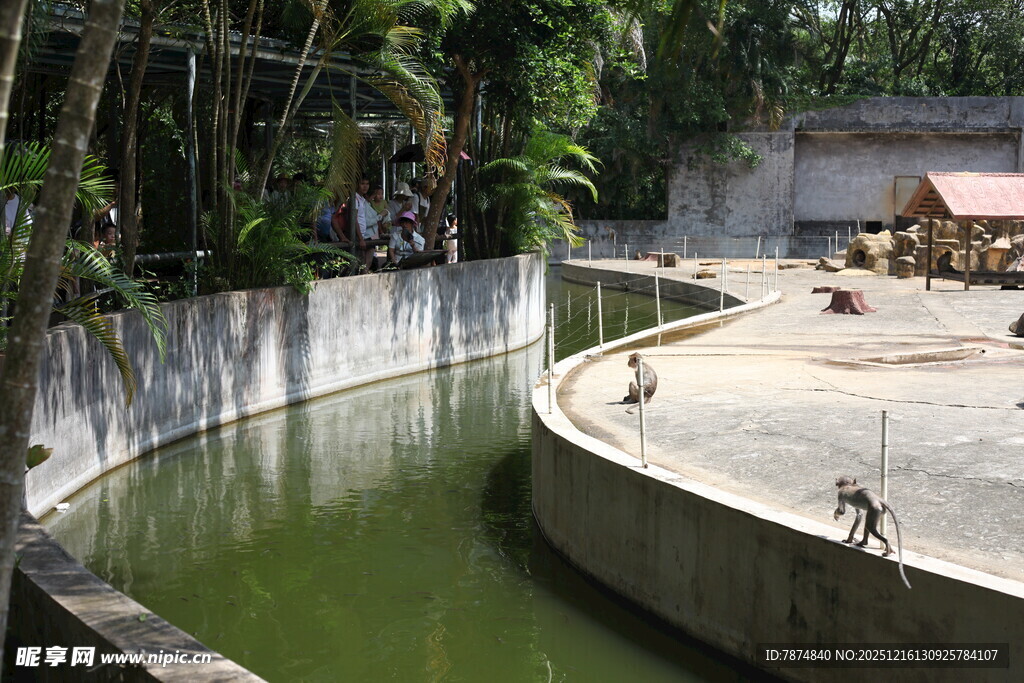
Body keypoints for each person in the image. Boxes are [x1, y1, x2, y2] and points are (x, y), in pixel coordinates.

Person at [352, 177, 378, 272]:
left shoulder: (362, 199)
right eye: (362, 183)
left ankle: (365, 272)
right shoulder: (354, 199)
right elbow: (354, 220)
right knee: (359, 263)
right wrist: (360, 238)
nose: (365, 186)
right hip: (357, 235)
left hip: (364, 234)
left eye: (367, 184)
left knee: (371, 249)